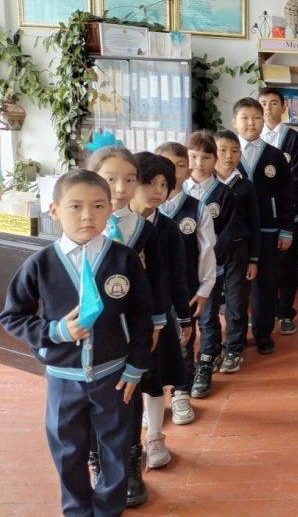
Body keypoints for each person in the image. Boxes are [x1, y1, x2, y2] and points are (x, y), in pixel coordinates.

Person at [0, 169, 153, 517]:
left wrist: (135, 366)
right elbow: (12, 316)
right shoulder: (40, 264)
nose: (87, 215)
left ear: (109, 208)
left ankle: (109, 508)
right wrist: (56, 332)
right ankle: (77, 510)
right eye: (75, 206)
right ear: (54, 211)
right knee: (66, 449)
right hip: (63, 378)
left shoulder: (124, 259)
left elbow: (143, 316)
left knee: (115, 448)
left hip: (114, 376)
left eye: (98, 206)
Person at [89, 145, 166, 507]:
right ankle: (98, 460)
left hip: (132, 327)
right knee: (91, 397)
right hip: (90, 331)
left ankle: (131, 462)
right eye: (110, 179)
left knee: (129, 392)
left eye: (129, 180)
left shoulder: (143, 229)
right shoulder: (83, 226)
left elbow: (157, 280)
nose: (119, 189)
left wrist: (156, 322)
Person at [131, 152, 191, 471]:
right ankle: (127, 446)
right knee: (125, 384)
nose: (158, 190)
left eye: (164, 184)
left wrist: (184, 317)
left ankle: (154, 437)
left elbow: (178, 277)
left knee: (156, 379)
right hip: (122, 320)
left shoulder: (167, 229)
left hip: (158, 316)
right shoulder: (113, 225)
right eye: (149, 182)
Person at [155, 141, 215, 421]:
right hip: (151, 292)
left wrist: (204, 289)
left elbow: (207, 252)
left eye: (179, 165)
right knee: (151, 343)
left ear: (188, 169)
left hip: (185, 289)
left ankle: (181, 394)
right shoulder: (143, 207)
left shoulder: (197, 208)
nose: (171, 171)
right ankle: (153, 396)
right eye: (165, 164)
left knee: (184, 340)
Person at [233, 98, 298, 351]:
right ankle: (236, 339)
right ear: (234, 122)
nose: (251, 123)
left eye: (256, 118)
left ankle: (263, 334)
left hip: (268, 231)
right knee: (236, 287)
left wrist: (286, 229)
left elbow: (288, 195)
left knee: (266, 283)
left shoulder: (275, 155)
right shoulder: (226, 154)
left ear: (264, 121)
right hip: (236, 234)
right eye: (245, 118)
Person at [183, 131, 238, 393]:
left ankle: (206, 361)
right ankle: (184, 366)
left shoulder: (224, 193)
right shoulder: (177, 191)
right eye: (194, 157)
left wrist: (212, 260)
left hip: (210, 270)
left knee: (208, 317)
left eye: (206, 158)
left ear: (214, 160)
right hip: (181, 271)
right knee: (183, 318)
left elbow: (228, 232)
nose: (199, 163)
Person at [259, 87, 298, 336]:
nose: (268, 108)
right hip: (258, 215)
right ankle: (262, 312)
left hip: (286, 212)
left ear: (283, 106)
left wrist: (273, 194)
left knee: (286, 266)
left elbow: (296, 174)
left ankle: (285, 312)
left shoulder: (292, 137)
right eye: (263, 103)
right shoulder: (251, 136)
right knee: (259, 265)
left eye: (273, 103)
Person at [214, 129, 261, 370]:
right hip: (209, 254)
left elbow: (254, 224)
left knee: (236, 300)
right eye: (222, 150)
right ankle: (211, 350)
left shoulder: (245, 186)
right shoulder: (205, 186)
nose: (228, 156)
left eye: (234, 151)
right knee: (210, 304)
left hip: (239, 251)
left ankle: (234, 348)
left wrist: (254, 259)